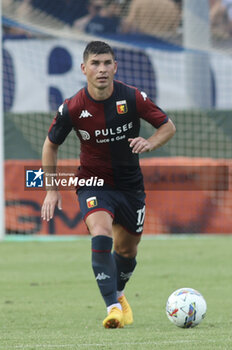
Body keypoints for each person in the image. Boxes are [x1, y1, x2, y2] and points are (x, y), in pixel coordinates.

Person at [41, 41, 176, 328]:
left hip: (130, 186)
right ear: (83, 69)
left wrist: (150, 142)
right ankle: (112, 307)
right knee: (101, 232)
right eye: (95, 64)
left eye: (106, 63)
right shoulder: (73, 107)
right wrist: (51, 189)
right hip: (94, 184)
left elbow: (168, 126)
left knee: (127, 251)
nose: (101, 69)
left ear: (115, 66)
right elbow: (50, 145)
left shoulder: (133, 97)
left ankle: (120, 293)